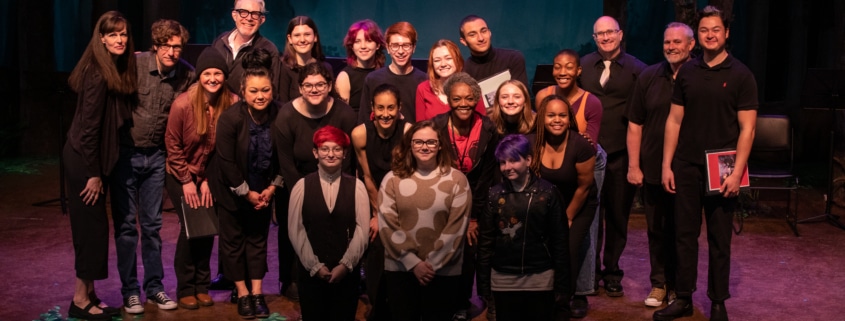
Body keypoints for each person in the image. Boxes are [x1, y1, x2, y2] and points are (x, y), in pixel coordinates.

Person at [656, 6, 757, 321]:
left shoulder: (741, 75)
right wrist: (666, 165)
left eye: (716, 29)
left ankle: (717, 301)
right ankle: (683, 297)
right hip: (686, 165)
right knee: (683, 234)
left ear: (726, 33)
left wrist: (737, 172)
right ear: (697, 37)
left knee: (719, 237)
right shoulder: (687, 71)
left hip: (723, 167)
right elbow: (674, 120)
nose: (710, 35)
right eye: (704, 30)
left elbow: (748, 129)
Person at [110, 18, 194, 313]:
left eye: (178, 46)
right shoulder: (134, 65)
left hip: (157, 157)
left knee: (152, 227)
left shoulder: (186, 74)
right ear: (156, 46)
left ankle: (154, 287)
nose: (173, 52)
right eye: (167, 46)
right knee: (126, 228)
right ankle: (130, 291)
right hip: (126, 155)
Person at [63, 10, 136, 321]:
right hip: (83, 160)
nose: (120, 39)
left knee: (95, 229)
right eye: (113, 34)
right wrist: (93, 174)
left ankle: (89, 293)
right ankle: (80, 300)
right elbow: (89, 130)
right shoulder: (97, 73)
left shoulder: (109, 68)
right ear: (102, 38)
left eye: (123, 34)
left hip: (87, 159)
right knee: (90, 231)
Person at [272, 61, 357, 300]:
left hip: (337, 180)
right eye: (308, 85)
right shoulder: (287, 115)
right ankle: (292, 280)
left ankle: (335, 274)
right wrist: (306, 195)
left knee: (335, 229)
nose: (314, 89)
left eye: (320, 84)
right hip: (296, 183)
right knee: (296, 231)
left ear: (330, 85)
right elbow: (286, 162)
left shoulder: (344, 113)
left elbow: (348, 159)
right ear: (300, 88)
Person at [209, 49, 282, 319]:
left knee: (258, 241)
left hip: (264, 190)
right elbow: (226, 162)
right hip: (233, 190)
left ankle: (258, 293)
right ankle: (242, 293)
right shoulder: (230, 118)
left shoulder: (280, 114)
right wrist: (246, 193)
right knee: (233, 242)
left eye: (265, 90)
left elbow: (283, 158)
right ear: (243, 91)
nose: (260, 96)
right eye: (253, 91)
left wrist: (272, 188)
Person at [626, 22, 695, 308]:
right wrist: (634, 165)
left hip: (689, 169)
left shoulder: (701, 77)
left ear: (691, 45)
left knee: (683, 232)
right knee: (656, 230)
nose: (671, 47)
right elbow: (634, 124)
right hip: (653, 166)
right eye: (667, 42)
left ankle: (682, 288)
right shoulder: (648, 77)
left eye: (677, 42)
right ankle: (659, 284)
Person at [579, 15, 647, 300]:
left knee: (618, 216)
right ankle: (589, 272)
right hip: (589, 156)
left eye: (610, 32)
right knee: (590, 216)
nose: (605, 38)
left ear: (620, 35)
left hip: (621, 154)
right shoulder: (582, 66)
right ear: (594, 38)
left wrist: (636, 162)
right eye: (599, 34)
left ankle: (612, 271)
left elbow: (642, 115)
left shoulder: (638, 70)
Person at [164, 47, 237, 310]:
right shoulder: (183, 103)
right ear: (200, 75)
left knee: (206, 228)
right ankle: (186, 287)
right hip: (180, 171)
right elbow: (172, 145)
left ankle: (202, 285)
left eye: (218, 73)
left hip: (210, 174)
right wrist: (186, 181)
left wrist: (207, 179)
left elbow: (225, 148)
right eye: (208, 73)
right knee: (190, 228)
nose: (213, 78)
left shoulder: (232, 102)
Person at [378, 120, 472, 321]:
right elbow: (387, 225)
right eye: (418, 142)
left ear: (439, 145)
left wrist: (429, 265)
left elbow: (456, 229)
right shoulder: (391, 180)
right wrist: (413, 263)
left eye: (430, 142)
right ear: (409, 145)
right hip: (401, 269)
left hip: (444, 271)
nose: (424, 147)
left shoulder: (457, 180)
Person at [536, 49, 604, 318]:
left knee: (573, 243)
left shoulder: (591, 105)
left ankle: (573, 295)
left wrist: (566, 217)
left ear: (579, 71)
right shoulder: (543, 99)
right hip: (553, 188)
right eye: (557, 66)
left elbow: (584, 182)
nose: (562, 71)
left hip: (580, 182)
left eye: (569, 67)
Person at [431, 72, 500, 320]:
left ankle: (462, 303)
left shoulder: (489, 129)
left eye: (469, 98)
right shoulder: (436, 126)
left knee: (469, 253)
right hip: (441, 199)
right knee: (441, 251)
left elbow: (487, 178)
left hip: (475, 200)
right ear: (448, 99)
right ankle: (439, 303)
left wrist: (473, 217)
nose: (463, 103)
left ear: (477, 99)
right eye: (457, 98)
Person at [477, 134, 569, 321]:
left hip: (540, 277)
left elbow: (560, 241)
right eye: (503, 162)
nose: (507, 167)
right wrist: (483, 285)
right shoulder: (494, 195)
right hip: (504, 278)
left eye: (513, 160)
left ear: (528, 160)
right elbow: (486, 242)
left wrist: (562, 284)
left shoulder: (548, 193)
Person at [288, 125, 370, 321]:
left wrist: (345, 265)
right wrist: (314, 266)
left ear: (344, 154)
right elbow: (295, 230)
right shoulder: (302, 186)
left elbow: (362, 230)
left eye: (337, 149)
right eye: (325, 149)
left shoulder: (356, 187)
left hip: (346, 276)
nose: (331, 154)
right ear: (315, 153)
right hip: (311, 276)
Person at [532, 95, 597, 321]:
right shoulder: (533, 142)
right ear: (542, 118)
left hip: (578, 203)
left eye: (562, 115)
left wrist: (566, 218)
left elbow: (585, 186)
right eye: (551, 115)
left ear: (569, 119)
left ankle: (563, 301)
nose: (556, 120)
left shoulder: (581, 145)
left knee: (566, 247)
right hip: (548, 205)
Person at [350, 84, 411, 321]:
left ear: (399, 108)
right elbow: (367, 177)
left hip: (403, 199)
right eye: (381, 108)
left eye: (391, 108)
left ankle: (401, 303)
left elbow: (407, 178)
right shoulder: (360, 134)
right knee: (376, 245)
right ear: (372, 108)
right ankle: (377, 304)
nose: (386, 113)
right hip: (374, 200)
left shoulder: (408, 132)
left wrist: (392, 216)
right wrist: (377, 216)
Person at [357, 21, 427, 124]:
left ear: (414, 48)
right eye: (395, 45)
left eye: (406, 45)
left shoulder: (424, 80)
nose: (400, 51)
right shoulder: (373, 79)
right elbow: (364, 120)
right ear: (388, 48)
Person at [211, 0, 279, 96]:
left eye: (255, 14)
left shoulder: (269, 50)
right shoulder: (219, 42)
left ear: (262, 19)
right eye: (243, 12)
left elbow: (273, 92)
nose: (249, 18)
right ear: (234, 15)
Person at [415, 39, 485, 121]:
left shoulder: (472, 88)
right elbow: (419, 127)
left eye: (448, 58)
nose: (443, 64)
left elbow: (482, 124)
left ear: (457, 60)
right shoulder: (423, 89)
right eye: (437, 60)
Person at [277, 16, 334, 103]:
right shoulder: (283, 67)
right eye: (297, 35)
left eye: (307, 34)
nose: (302, 40)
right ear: (290, 39)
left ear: (315, 37)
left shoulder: (326, 68)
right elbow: (281, 104)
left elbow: (331, 101)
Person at [459, 15, 528, 86]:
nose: (481, 38)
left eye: (483, 31)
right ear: (463, 41)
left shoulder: (513, 58)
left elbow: (521, 94)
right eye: (472, 35)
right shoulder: (464, 72)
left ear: (489, 32)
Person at [335, 19, 386, 115]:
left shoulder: (385, 74)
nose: (363, 46)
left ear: (378, 45)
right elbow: (341, 115)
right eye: (357, 41)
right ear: (352, 46)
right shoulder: (345, 77)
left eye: (369, 41)